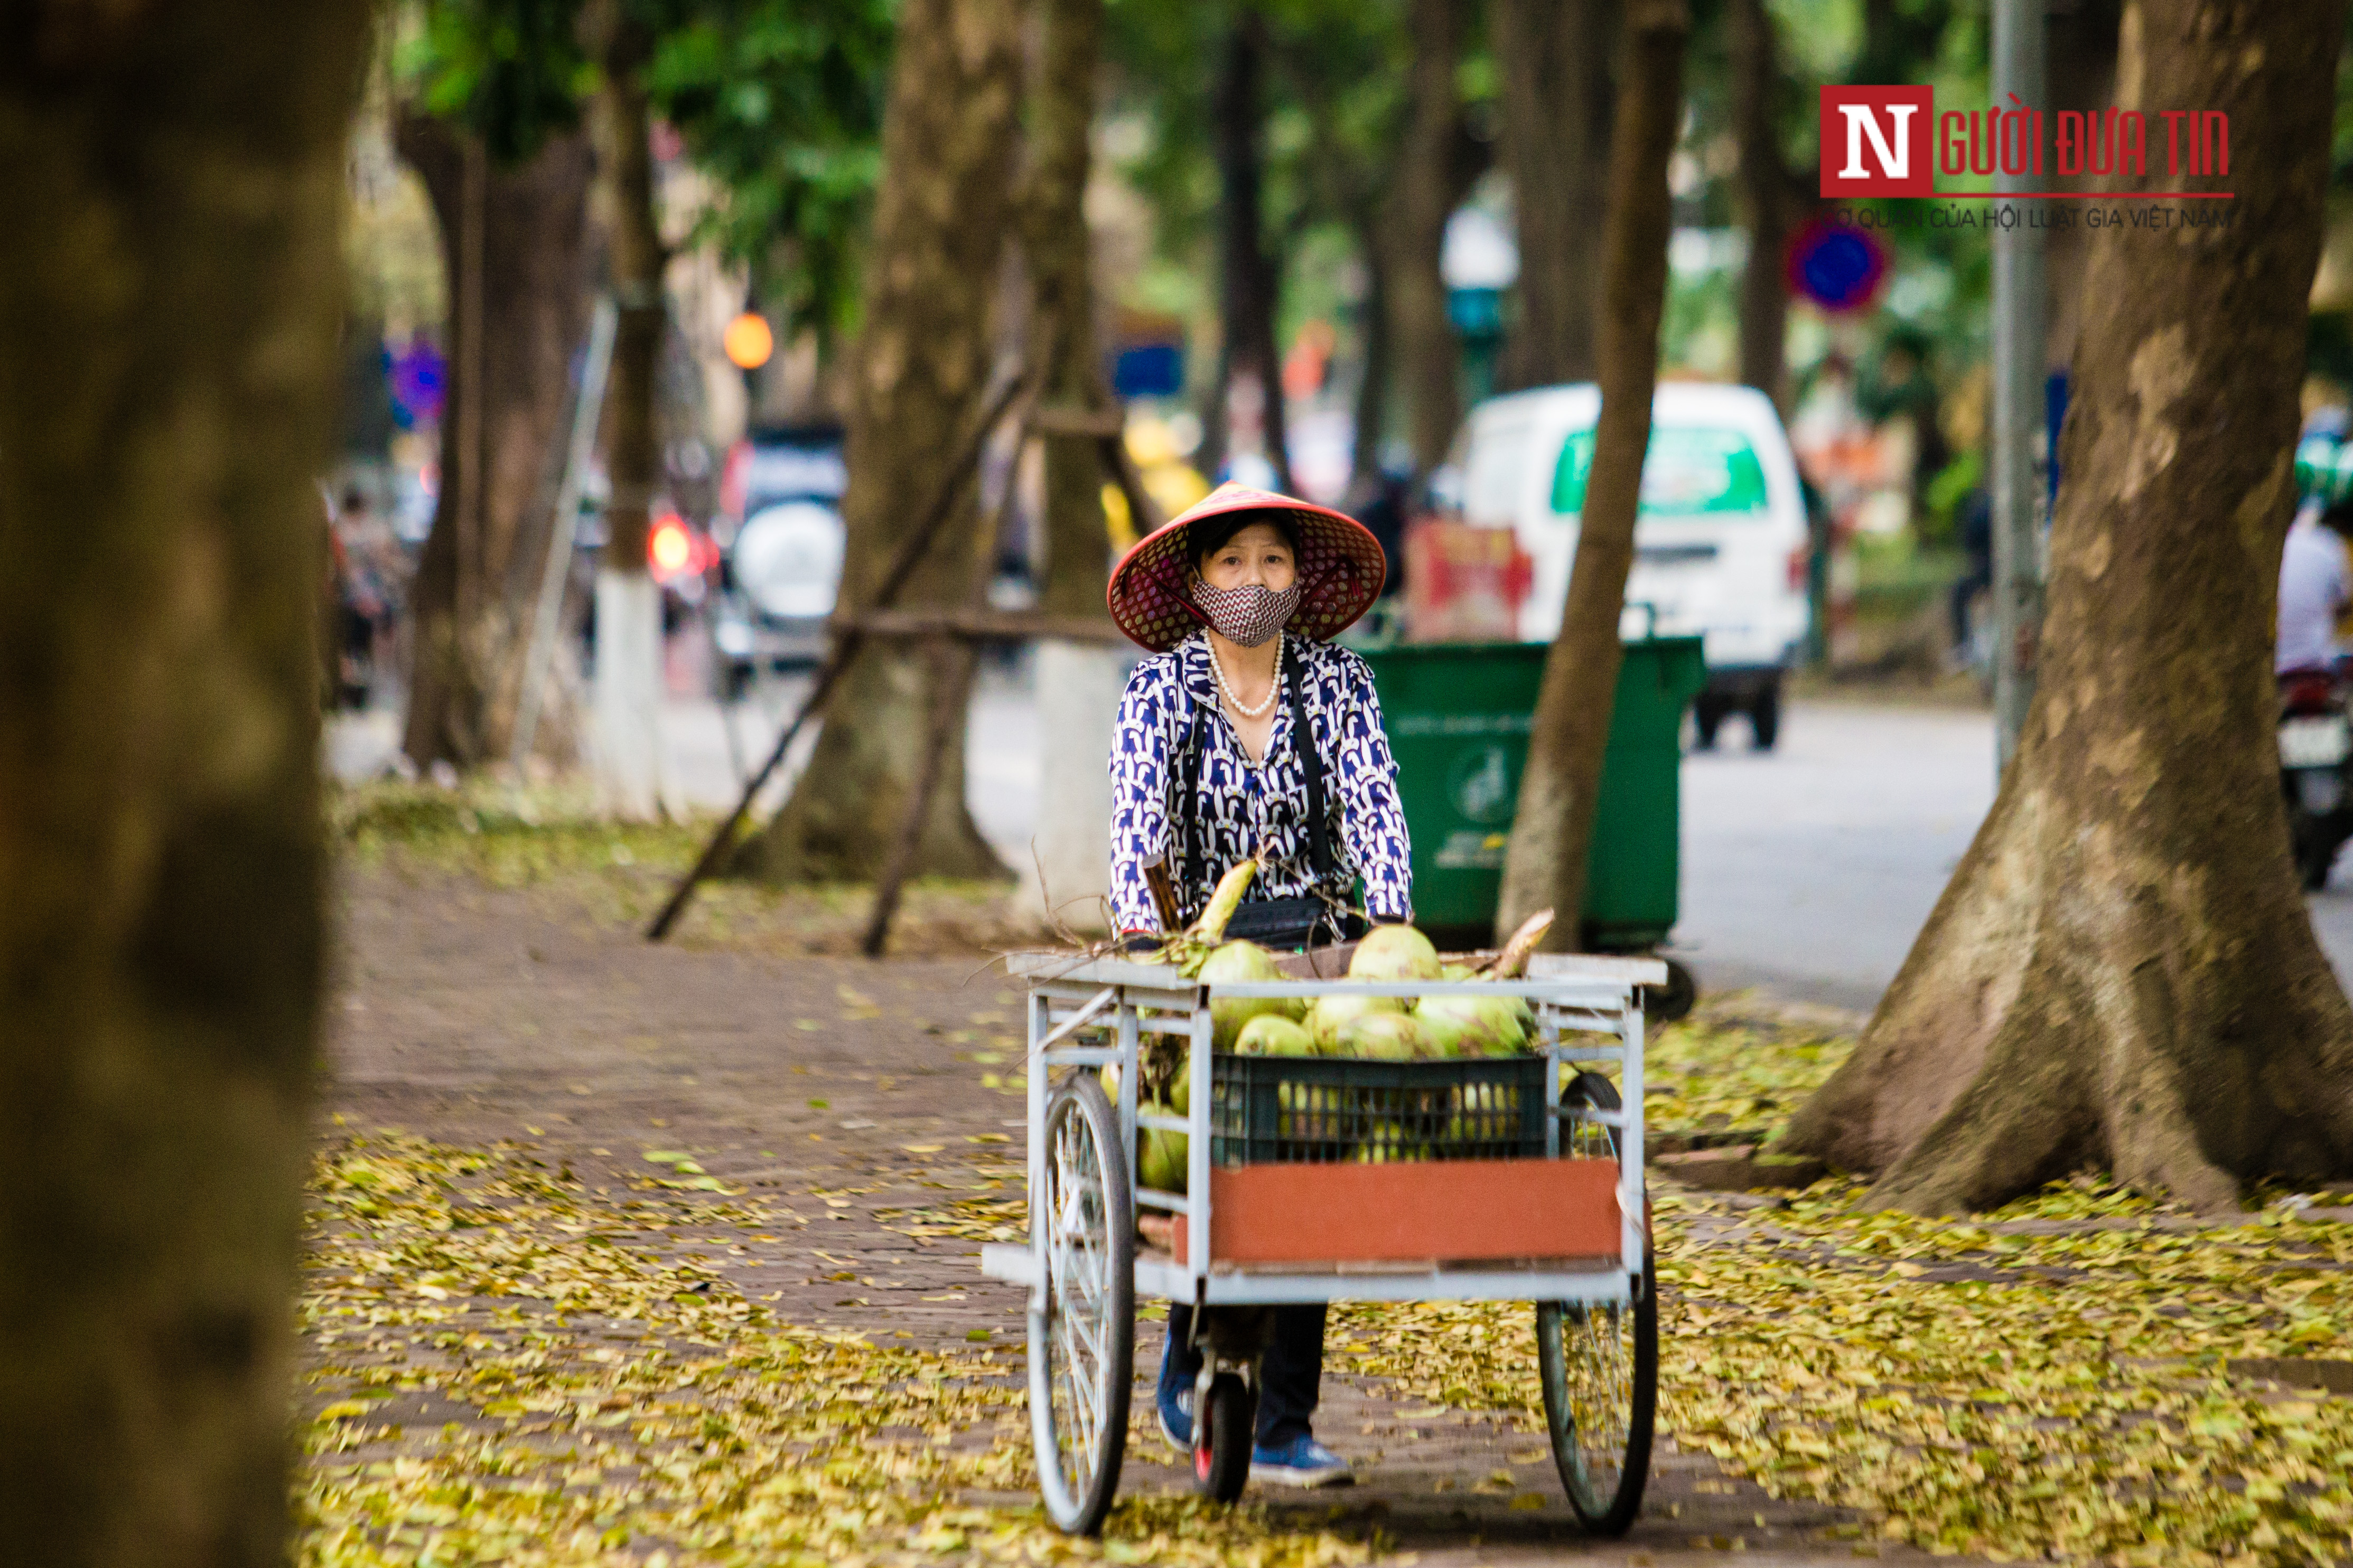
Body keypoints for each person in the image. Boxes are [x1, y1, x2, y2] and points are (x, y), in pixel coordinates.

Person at [1104, 481, 1410, 1490]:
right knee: (1219, 1149)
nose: (1252, 580)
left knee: (1308, 1155)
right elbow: (1135, 821)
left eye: (1271, 559)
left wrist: (1391, 930)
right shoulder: (1159, 693)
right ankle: (1186, 1342)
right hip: (1204, 958)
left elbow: (1374, 804)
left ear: (1298, 576)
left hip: (1320, 950)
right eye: (1230, 561)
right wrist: (1146, 937)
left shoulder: (1337, 683)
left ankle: (1282, 1419)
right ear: (1195, 581)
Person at [2279, 494, 2353, 675]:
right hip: (2315, 662)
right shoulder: (2330, 543)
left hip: (2276, 661)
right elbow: (2346, 601)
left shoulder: (2279, 541)